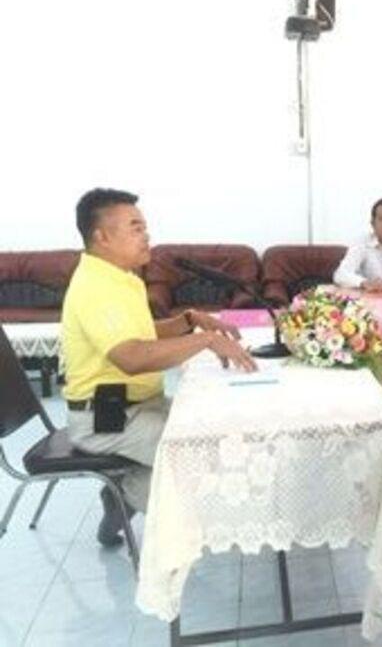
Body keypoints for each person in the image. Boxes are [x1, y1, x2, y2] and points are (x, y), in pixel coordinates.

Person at [61, 188, 257, 547]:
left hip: (136, 407)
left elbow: (138, 334)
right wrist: (204, 340)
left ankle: (126, 491)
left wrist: (188, 321)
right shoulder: (95, 287)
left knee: (215, 429)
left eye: (145, 227)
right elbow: (132, 356)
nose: (147, 235)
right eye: (135, 227)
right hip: (106, 420)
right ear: (102, 237)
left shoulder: (120, 277)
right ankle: (125, 490)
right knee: (203, 459)